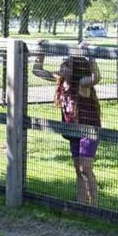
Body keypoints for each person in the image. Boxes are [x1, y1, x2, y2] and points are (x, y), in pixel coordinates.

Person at [31, 44, 100, 206]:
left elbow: (96, 77)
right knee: (78, 169)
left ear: (77, 70)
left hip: (88, 131)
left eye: (67, 64)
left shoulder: (82, 84)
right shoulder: (61, 81)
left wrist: (91, 57)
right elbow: (37, 70)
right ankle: (81, 203)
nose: (62, 66)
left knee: (85, 168)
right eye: (63, 63)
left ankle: (94, 205)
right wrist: (41, 52)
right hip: (72, 131)